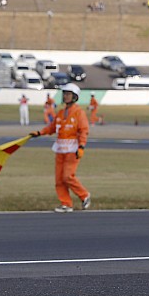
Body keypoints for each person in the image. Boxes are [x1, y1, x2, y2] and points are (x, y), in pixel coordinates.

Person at [30, 83, 91, 213]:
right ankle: (66, 204)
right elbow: (52, 127)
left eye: (68, 94)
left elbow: (84, 130)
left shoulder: (79, 113)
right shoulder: (61, 112)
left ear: (75, 97)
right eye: (64, 94)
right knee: (59, 179)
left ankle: (84, 195)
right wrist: (40, 132)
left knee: (68, 176)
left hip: (72, 150)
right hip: (60, 149)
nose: (66, 97)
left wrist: (81, 147)